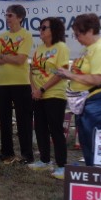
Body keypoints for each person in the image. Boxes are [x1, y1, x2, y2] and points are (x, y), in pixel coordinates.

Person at [56, 13, 101, 168]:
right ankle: (91, 171)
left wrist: (70, 75)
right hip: (85, 99)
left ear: (90, 31)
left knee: (95, 139)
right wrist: (67, 75)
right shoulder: (89, 49)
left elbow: (97, 78)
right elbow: (82, 73)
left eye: (78, 34)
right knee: (86, 139)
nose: (77, 38)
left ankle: (99, 173)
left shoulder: (100, 49)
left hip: (97, 100)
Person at [0, 4, 34, 164]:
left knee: (23, 120)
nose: (7, 18)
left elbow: (20, 60)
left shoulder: (26, 35)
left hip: (21, 83)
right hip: (2, 83)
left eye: (10, 15)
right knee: (4, 120)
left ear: (20, 17)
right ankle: (6, 152)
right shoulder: (2, 36)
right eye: (6, 15)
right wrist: (10, 57)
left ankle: (27, 155)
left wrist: (4, 56)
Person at [29, 17, 70, 179]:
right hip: (37, 95)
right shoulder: (39, 48)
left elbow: (61, 73)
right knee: (40, 128)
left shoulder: (61, 48)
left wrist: (42, 89)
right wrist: (34, 89)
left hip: (54, 94)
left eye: (43, 27)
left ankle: (62, 166)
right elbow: (31, 70)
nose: (40, 30)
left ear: (54, 30)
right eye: (40, 27)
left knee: (55, 130)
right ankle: (44, 160)